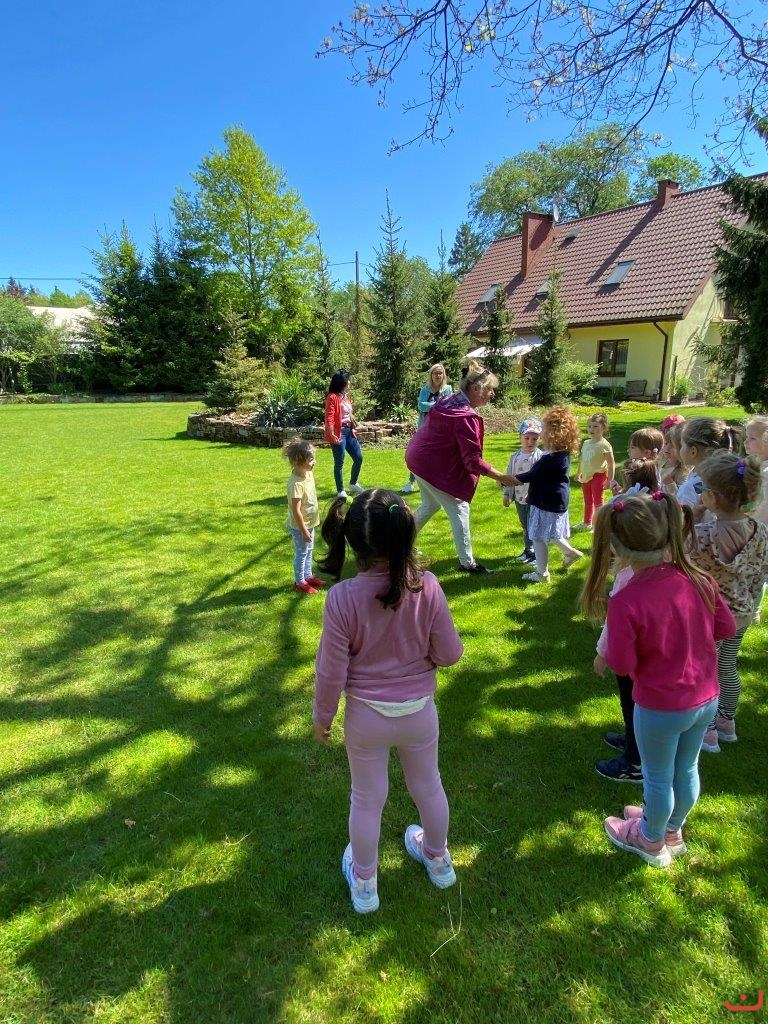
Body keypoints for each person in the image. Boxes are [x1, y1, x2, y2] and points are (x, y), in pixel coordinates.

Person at [313, 489, 464, 913]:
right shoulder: (427, 586)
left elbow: (330, 672)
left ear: (354, 544)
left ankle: (365, 883)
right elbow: (450, 653)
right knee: (428, 785)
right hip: (419, 713)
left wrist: (323, 718)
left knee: (366, 798)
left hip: (366, 719)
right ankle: (437, 858)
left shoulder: (341, 598)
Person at [581, 492, 736, 867]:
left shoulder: (626, 599)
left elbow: (621, 663)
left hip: (660, 706)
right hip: (706, 697)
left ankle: (650, 839)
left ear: (616, 548)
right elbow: (726, 627)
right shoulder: (698, 578)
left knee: (657, 776)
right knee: (686, 769)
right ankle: (671, 830)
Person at [591, 458, 673, 784]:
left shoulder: (627, 584)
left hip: (642, 670)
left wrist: (602, 654)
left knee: (634, 705)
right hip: (678, 673)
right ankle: (633, 740)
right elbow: (721, 626)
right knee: (641, 715)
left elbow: (618, 644)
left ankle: (634, 762)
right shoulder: (681, 573)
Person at [686, 453, 768, 753]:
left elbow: (682, 560)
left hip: (709, 617)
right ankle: (726, 722)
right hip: (741, 613)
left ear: (715, 497)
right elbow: (760, 572)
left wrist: (693, 518)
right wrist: (752, 604)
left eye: (702, 489)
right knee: (727, 666)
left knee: (706, 671)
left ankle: (707, 731)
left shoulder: (703, 535)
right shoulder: (759, 531)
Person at [405, 362, 515, 575]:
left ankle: (400, 545)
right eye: (489, 389)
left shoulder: (450, 399)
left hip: (417, 458)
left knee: (430, 504)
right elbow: (472, 461)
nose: (492, 394)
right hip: (428, 465)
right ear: (475, 389)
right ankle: (467, 564)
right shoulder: (465, 416)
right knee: (460, 508)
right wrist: (502, 476)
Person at [508, 405, 584, 584]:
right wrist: (530, 495)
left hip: (547, 502)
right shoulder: (558, 454)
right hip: (552, 500)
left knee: (537, 537)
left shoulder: (552, 458)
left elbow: (532, 476)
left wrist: (507, 479)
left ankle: (542, 574)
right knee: (551, 532)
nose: (541, 433)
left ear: (553, 433)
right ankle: (570, 553)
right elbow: (541, 479)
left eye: (544, 429)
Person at [283, 437, 325, 595]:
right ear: (298, 462)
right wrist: (303, 530)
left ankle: (308, 576)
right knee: (302, 553)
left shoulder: (308, 474)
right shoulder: (295, 484)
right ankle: (299, 582)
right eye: (311, 459)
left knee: (309, 549)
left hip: (310, 523)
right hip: (300, 527)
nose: (315, 462)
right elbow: (296, 511)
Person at [402, 364, 453, 493]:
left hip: (441, 429)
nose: (438, 375)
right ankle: (411, 482)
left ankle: (439, 483)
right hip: (425, 428)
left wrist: (432, 405)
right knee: (418, 454)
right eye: (435, 373)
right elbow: (421, 406)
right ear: (431, 375)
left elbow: (449, 406)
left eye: (440, 373)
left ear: (443, 375)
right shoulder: (425, 390)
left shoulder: (447, 389)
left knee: (440, 456)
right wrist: (438, 404)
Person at [678, 417, 742, 514]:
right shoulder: (730, 477)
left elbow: (683, 520)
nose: (680, 449)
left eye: (682, 445)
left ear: (693, 451)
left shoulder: (689, 489)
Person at [503, 417, 543, 563]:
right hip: (519, 498)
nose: (530, 442)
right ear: (520, 437)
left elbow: (541, 478)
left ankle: (536, 554)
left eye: (534, 439)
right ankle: (528, 550)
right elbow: (509, 476)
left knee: (533, 526)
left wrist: (535, 494)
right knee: (525, 525)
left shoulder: (539, 457)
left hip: (534, 499)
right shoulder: (515, 457)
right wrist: (507, 494)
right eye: (527, 438)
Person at [324, 370, 364, 499]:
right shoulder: (332, 397)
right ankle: (340, 490)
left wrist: (353, 426)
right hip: (338, 432)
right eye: (348, 380)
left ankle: (353, 483)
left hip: (348, 431)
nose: (350, 382)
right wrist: (331, 433)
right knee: (339, 462)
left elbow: (348, 414)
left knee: (358, 458)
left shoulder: (345, 396)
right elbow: (329, 417)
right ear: (342, 382)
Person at [574, 412, 615, 529]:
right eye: (589, 426)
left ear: (603, 427)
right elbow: (582, 460)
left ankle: (597, 525)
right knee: (588, 501)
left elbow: (611, 464)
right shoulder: (586, 443)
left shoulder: (604, 444)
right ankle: (587, 522)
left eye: (595, 426)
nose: (591, 429)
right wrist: (578, 473)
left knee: (598, 502)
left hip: (598, 476)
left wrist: (610, 480)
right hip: (586, 476)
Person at [744, 415, 768, 528]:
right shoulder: (753, 464)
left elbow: (761, 509)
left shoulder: (765, 474)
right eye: (746, 437)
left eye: (752, 438)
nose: (745, 442)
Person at [659, 421, 689, 497]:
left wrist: (670, 485)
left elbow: (680, 497)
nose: (667, 448)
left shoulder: (683, 472)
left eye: (672, 445)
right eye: (666, 443)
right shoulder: (661, 462)